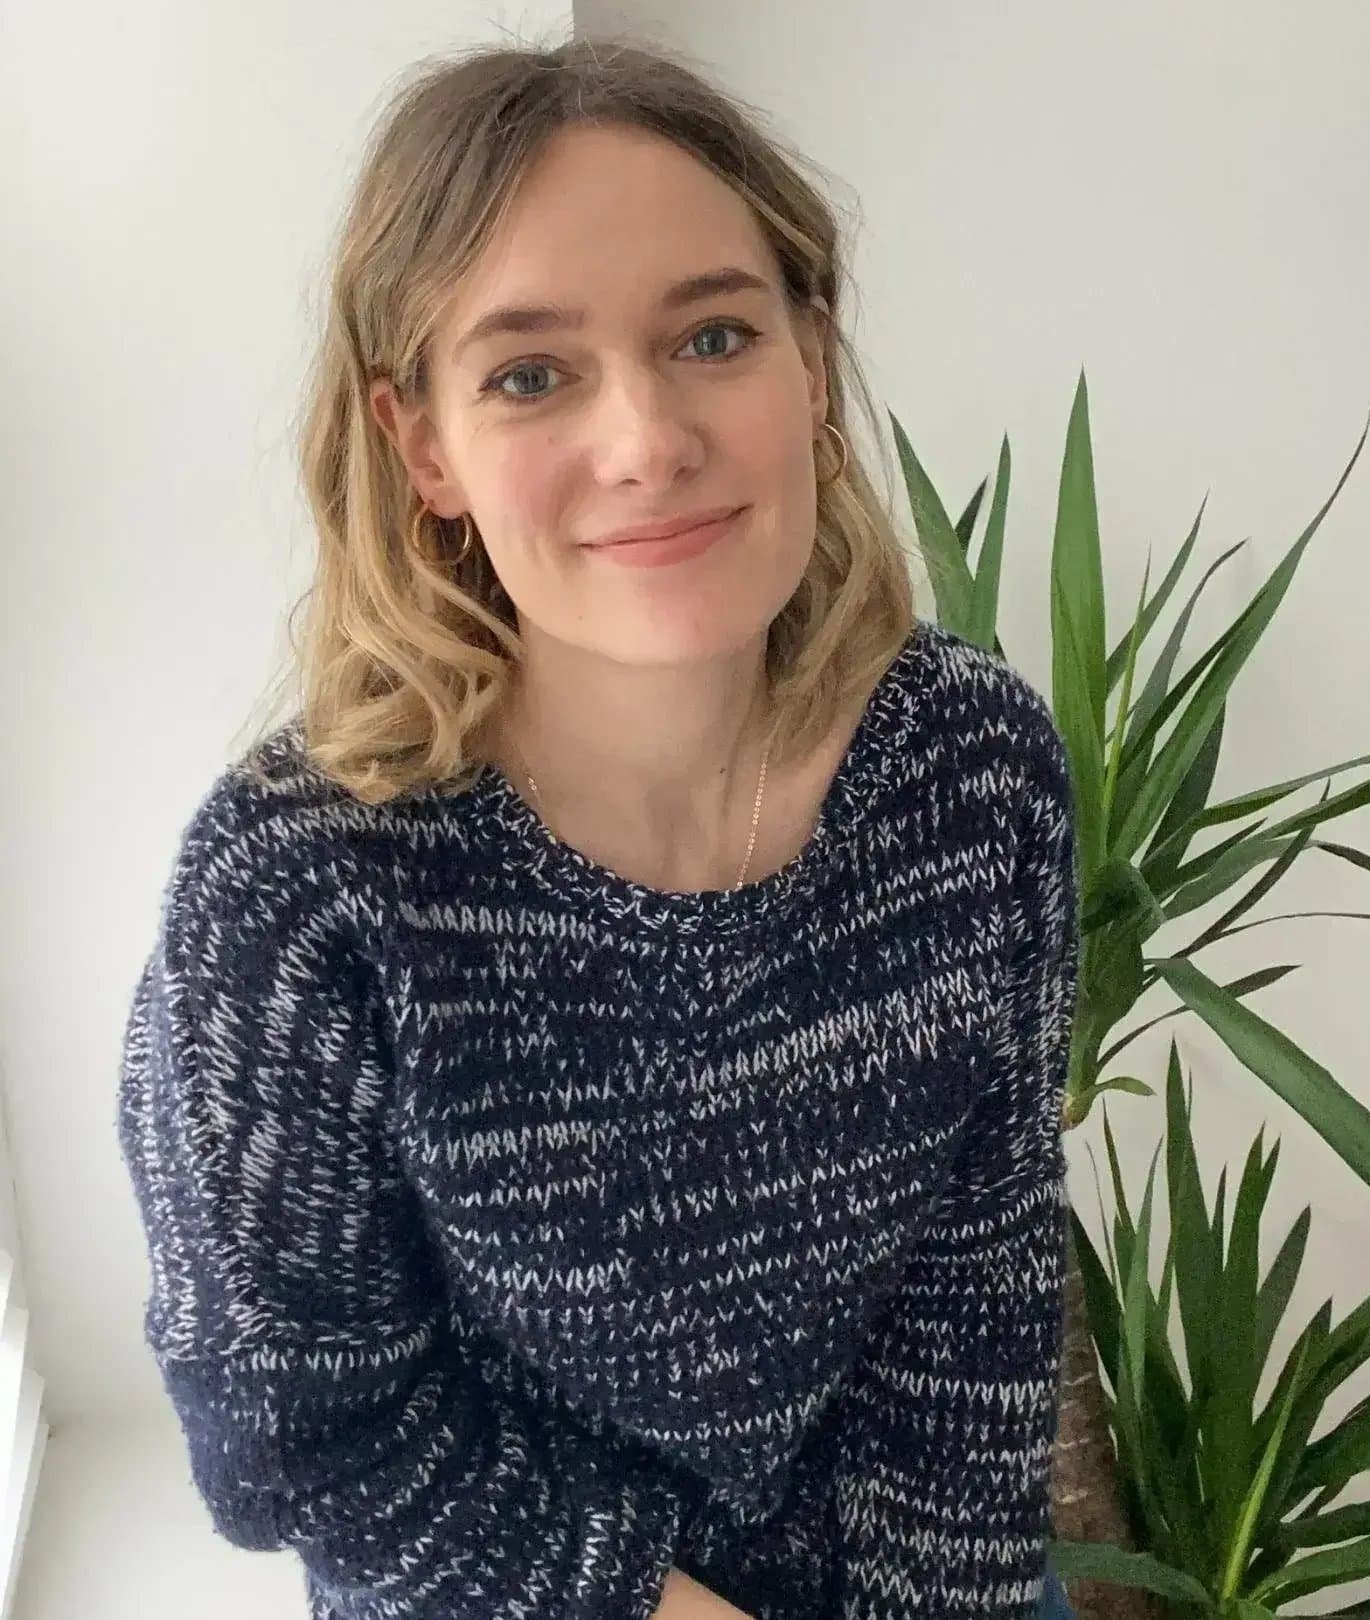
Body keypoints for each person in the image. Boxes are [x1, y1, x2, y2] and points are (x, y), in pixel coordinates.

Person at [114, 32, 1080, 1620]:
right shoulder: (300, 887)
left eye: (712, 334)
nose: (646, 440)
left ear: (810, 363)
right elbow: (296, 1435)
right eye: (529, 373)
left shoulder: (969, 771)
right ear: (423, 442)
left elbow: (979, 1291)